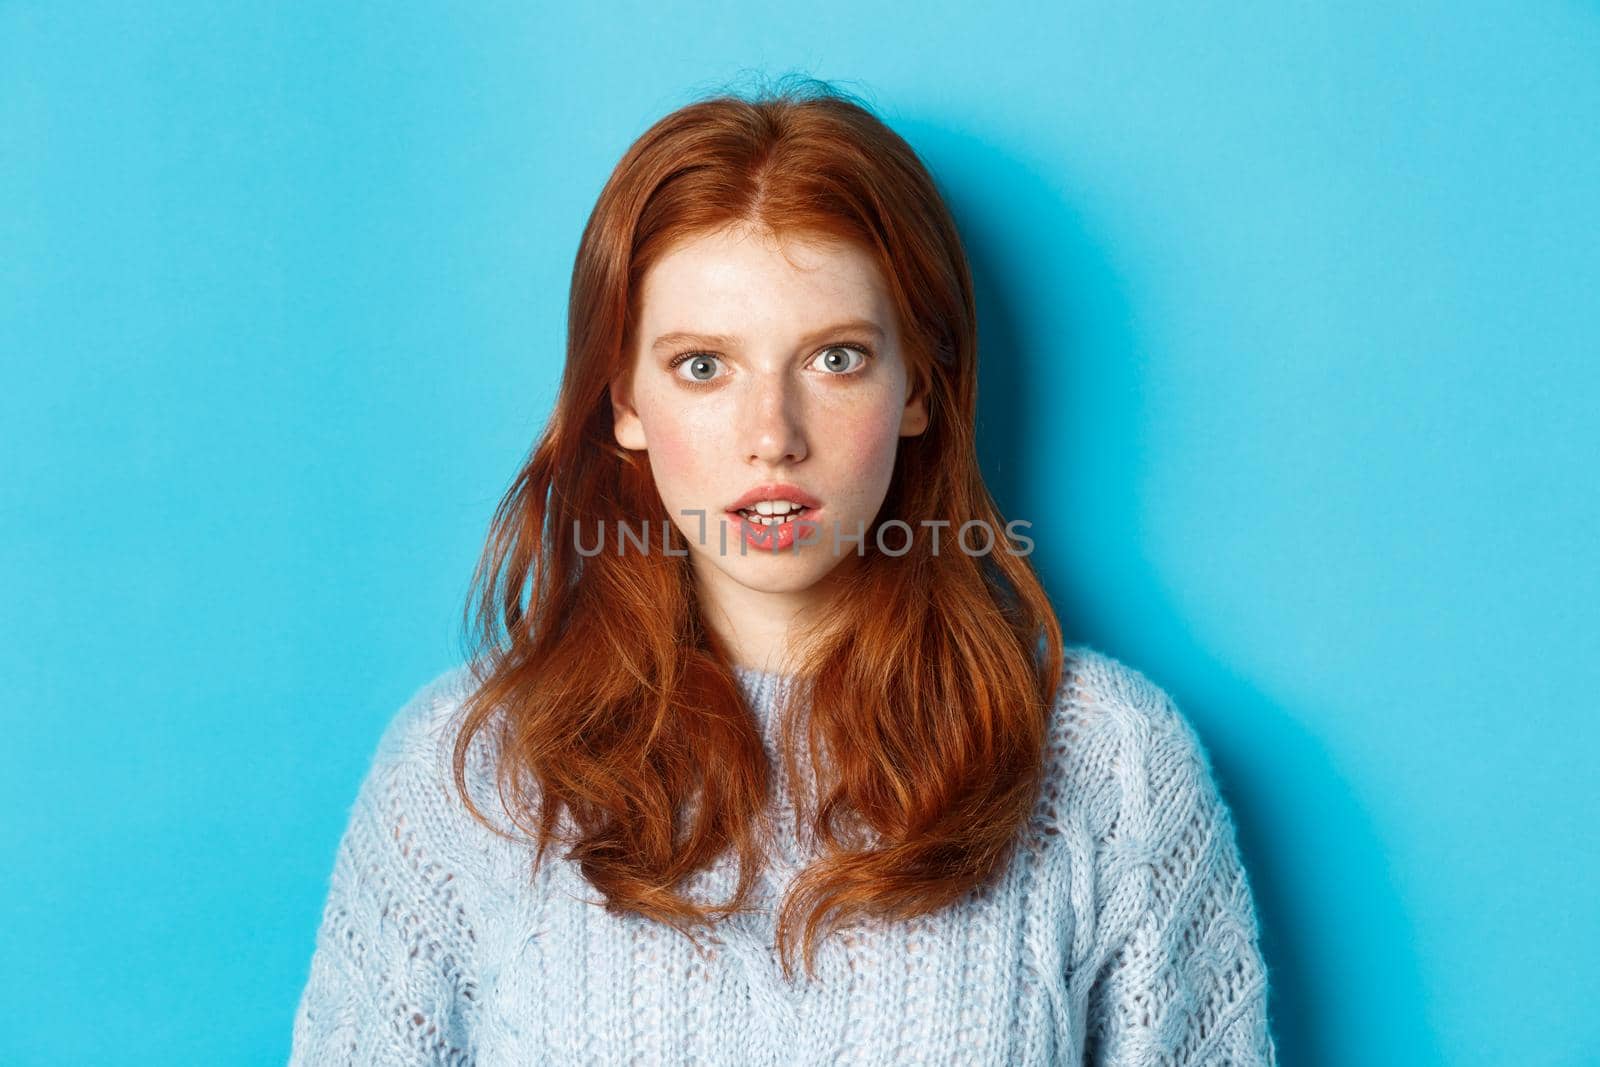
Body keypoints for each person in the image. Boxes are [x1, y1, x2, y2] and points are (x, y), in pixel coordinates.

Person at [288, 76, 1277, 1065]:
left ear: (918, 387)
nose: (773, 437)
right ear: (621, 397)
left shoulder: (1108, 765)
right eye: (703, 366)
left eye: (834, 358)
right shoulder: (464, 776)